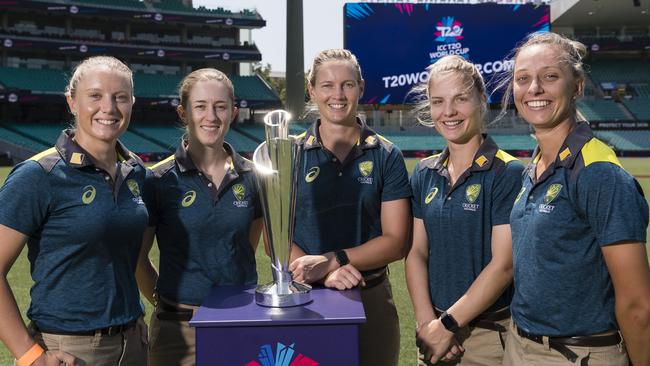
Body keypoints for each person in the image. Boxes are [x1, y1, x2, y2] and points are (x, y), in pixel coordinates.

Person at [501, 32, 650, 366]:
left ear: (578, 86)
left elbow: (638, 305)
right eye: (523, 79)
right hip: (520, 346)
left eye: (550, 76)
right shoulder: (535, 166)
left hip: (577, 354)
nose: (534, 88)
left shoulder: (599, 173)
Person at [0, 56, 148, 366]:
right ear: (72, 101)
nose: (108, 107)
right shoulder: (38, 175)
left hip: (134, 341)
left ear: (132, 103)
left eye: (120, 97)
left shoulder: (135, 171)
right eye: (95, 95)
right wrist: (29, 356)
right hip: (69, 350)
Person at [287, 49, 411, 366]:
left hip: (370, 296)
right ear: (311, 90)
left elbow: (397, 242)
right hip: (306, 296)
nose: (338, 95)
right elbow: (276, 238)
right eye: (327, 85)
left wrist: (333, 261)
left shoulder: (386, 154)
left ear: (361, 87)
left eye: (347, 84)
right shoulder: (290, 154)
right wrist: (318, 274)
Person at [136, 68, 263, 366]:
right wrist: (168, 305)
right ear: (183, 112)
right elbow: (138, 260)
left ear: (232, 113)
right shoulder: (158, 180)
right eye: (201, 106)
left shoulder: (255, 177)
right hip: (177, 333)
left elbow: (246, 246)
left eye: (220, 107)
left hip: (241, 321)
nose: (212, 116)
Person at [405, 55, 524, 366]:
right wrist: (426, 324)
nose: (449, 112)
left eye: (460, 98)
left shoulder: (508, 172)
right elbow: (416, 252)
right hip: (432, 334)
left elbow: (503, 266)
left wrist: (448, 325)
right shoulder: (424, 171)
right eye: (438, 101)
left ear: (481, 100)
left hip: (486, 338)